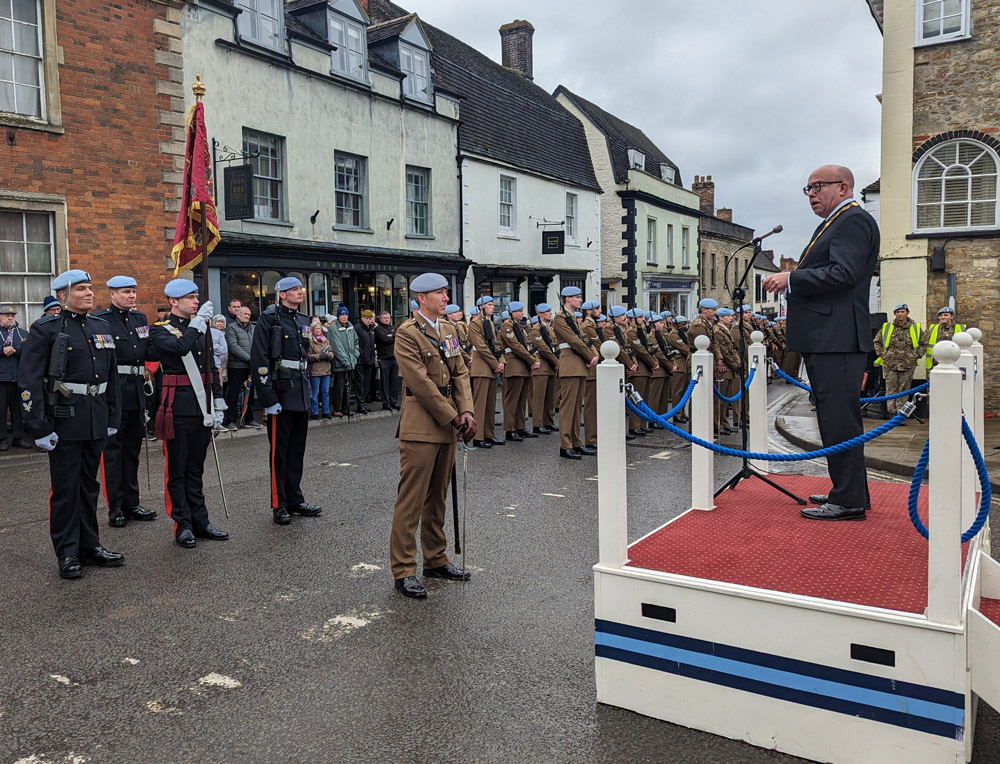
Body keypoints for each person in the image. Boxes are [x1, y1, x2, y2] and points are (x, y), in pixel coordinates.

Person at [763, 164, 879, 521]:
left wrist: (792, 278)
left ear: (843, 187)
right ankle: (848, 491)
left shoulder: (852, 221)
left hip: (837, 338)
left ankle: (848, 501)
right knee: (834, 420)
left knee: (839, 421)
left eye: (818, 186)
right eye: (807, 188)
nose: (811, 193)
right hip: (829, 337)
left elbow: (844, 273)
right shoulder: (835, 222)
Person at [19, 270, 124, 578]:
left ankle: (90, 546)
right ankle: (67, 552)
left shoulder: (100, 326)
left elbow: (112, 377)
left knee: (89, 486)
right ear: (63, 295)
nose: (89, 293)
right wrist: (38, 426)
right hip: (64, 420)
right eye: (81, 289)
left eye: (90, 288)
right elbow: (29, 381)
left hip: (95, 417)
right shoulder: (45, 329)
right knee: (66, 489)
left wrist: (112, 417)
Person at [390, 272, 476, 599]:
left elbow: (461, 371)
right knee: (411, 501)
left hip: (448, 422)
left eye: (445, 291)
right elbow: (421, 384)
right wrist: (455, 416)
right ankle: (403, 570)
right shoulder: (407, 333)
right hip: (422, 423)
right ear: (421, 298)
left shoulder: (450, 329)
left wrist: (467, 410)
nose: (445, 297)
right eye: (439, 293)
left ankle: (436, 558)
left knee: (438, 497)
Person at [149, 279, 229, 548]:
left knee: (196, 468)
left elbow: (210, 368)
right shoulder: (159, 330)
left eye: (196, 296)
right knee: (177, 470)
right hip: (177, 408)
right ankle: (181, 523)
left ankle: (200, 520)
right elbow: (180, 348)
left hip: (201, 406)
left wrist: (218, 401)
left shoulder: (201, 329)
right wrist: (198, 325)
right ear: (173, 302)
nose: (196, 301)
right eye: (190, 297)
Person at [251, 277, 322, 525]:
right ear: (281, 294)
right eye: (294, 289)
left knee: (296, 452)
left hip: (300, 390)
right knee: (278, 454)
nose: (300, 292)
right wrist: (267, 397)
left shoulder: (303, 320)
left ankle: (295, 498)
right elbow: (259, 359)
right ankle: (278, 503)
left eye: (300, 289)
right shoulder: (269, 319)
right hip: (280, 392)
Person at [93, 275, 157, 527]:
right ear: (112, 294)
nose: (131, 296)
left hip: (137, 391)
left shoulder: (140, 319)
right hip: (114, 393)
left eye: (133, 291)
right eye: (126, 292)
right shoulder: (101, 321)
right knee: (113, 453)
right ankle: (115, 507)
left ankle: (132, 503)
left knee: (132, 451)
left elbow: (149, 352)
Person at [552, 286, 599, 458]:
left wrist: (594, 354)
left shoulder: (572, 318)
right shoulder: (560, 318)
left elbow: (584, 339)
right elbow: (573, 341)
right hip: (570, 364)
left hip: (578, 363)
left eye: (580, 297)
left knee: (577, 407)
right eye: (577, 297)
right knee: (568, 407)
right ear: (567, 299)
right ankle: (566, 445)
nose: (580, 300)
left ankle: (576, 441)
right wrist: (590, 356)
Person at [874, 303, 925, 419]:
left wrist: (916, 355)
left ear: (907, 312)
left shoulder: (915, 327)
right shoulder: (887, 327)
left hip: (907, 364)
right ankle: (891, 415)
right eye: (898, 312)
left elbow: (924, 343)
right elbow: (877, 342)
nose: (900, 314)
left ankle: (901, 416)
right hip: (890, 364)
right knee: (891, 390)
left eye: (902, 311)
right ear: (895, 314)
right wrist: (883, 355)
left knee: (904, 391)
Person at [468, 295, 505, 449]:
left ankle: (489, 434)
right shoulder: (476, 324)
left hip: (491, 366)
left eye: (492, 304)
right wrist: (495, 363)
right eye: (490, 305)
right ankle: (478, 436)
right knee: (480, 404)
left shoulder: (489, 322)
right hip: (482, 366)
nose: (493, 307)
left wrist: (501, 360)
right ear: (481, 307)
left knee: (490, 404)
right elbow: (481, 346)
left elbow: (496, 343)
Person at [498, 301, 537, 442]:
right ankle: (510, 429)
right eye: (519, 311)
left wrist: (532, 359)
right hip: (514, 365)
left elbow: (526, 345)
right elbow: (516, 346)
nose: (522, 313)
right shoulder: (507, 326)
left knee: (521, 400)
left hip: (523, 365)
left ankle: (520, 426)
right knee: (512, 400)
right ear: (512, 313)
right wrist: (532, 360)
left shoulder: (519, 327)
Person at [223, 306, 262, 429]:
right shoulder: (231, 328)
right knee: (233, 395)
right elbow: (233, 346)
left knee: (249, 394)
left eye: (249, 314)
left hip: (250, 367)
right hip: (236, 366)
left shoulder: (253, 328)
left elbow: (258, 344)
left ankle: (249, 419)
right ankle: (231, 421)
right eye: (245, 314)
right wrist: (250, 359)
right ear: (238, 315)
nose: (247, 316)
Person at [0, 306, 31, 450]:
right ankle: (2, 439)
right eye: (6, 315)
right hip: (1, 379)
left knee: (18, 410)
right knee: (1, 410)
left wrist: (16, 349)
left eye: (12, 315)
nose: (10, 318)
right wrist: (2, 350)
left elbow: (31, 349)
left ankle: (18, 437)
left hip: (18, 378)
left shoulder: (23, 333)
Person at [527, 304, 558, 435]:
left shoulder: (549, 329)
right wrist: (557, 362)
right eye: (547, 312)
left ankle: (548, 421)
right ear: (540, 314)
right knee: (539, 398)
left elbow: (553, 345)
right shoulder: (535, 330)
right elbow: (543, 349)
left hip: (550, 366)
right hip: (542, 366)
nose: (550, 313)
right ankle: (537, 424)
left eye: (550, 311)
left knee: (550, 397)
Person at [328, 306, 359, 417]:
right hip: (340, 363)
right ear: (338, 316)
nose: (344, 317)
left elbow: (356, 343)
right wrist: (346, 362)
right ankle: (337, 409)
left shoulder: (350, 327)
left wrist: (355, 356)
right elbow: (337, 347)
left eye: (346, 315)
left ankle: (346, 408)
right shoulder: (333, 328)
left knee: (348, 387)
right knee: (339, 387)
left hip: (351, 362)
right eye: (342, 315)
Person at [308, 320, 333, 419]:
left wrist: (329, 355)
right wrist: (318, 356)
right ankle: (314, 412)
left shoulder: (325, 340)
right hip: (315, 371)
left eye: (319, 328)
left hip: (326, 369)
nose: (318, 330)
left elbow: (331, 351)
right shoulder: (310, 341)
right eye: (316, 329)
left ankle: (326, 412)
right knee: (315, 393)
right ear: (312, 331)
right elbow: (308, 356)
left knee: (325, 392)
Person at [374, 310, 399, 410]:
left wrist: (391, 336)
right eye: (384, 318)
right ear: (380, 319)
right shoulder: (378, 329)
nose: (387, 319)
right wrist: (392, 337)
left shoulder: (393, 328)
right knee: (385, 382)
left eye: (388, 318)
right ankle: (386, 402)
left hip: (394, 358)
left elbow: (399, 338)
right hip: (384, 359)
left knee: (394, 382)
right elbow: (385, 339)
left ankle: (393, 401)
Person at [353, 309, 375, 414]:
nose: (368, 320)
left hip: (369, 360)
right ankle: (360, 405)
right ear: (362, 318)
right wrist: (361, 355)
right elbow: (356, 344)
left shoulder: (371, 328)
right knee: (360, 384)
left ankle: (364, 403)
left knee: (366, 384)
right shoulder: (357, 328)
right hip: (361, 360)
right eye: (366, 318)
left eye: (370, 318)